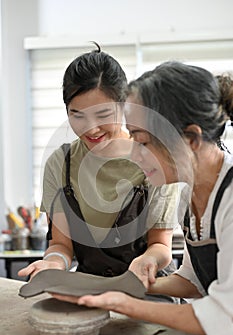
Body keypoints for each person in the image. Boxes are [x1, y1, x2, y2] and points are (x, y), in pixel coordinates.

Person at [51, 63, 233, 335]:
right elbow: (193, 282)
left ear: (191, 139)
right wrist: (125, 284)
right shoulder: (190, 193)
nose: (134, 156)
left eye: (143, 142)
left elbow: (226, 318)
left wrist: (124, 303)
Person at [18, 45, 180, 290]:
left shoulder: (155, 159)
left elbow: (160, 245)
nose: (90, 129)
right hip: (89, 288)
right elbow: (61, 245)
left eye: (103, 114)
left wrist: (146, 261)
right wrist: (53, 263)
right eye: (77, 115)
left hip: (150, 288)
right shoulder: (60, 163)